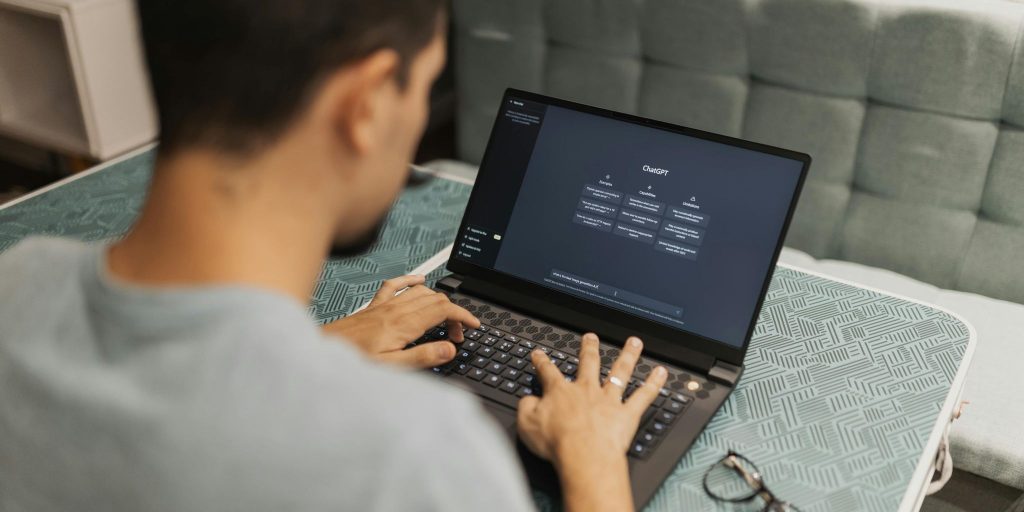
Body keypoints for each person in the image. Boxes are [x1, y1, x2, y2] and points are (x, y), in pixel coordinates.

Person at [0, 1, 668, 510]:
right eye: (424, 86)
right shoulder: (417, 457)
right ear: (367, 103)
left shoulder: (16, 281)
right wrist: (593, 466)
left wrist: (316, 353)